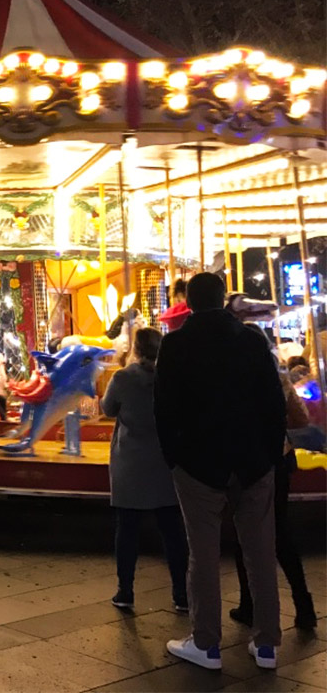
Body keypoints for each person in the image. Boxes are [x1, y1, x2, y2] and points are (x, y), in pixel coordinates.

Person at [155, 273, 286, 671]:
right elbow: (273, 401)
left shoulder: (176, 344)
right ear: (224, 300)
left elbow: (164, 406)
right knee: (261, 550)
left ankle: (207, 643)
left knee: (203, 551)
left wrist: (173, 456)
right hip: (252, 461)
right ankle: (267, 644)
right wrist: (268, 453)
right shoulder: (251, 341)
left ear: (189, 303)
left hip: (198, 462)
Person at [228, 324, 318, 631]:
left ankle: (248, 602)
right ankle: (304, 604)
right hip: (279, 457)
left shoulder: (233, 378)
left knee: (242, 533)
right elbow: (301, 418)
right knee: (281, 532)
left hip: (245, 460)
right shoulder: (278, 378)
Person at [102, 327, 188, 613]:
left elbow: (108, 408)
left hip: (131, 462)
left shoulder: (123, 378)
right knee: (173, 532)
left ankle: (125, 591)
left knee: (127, 530)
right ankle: (181, 593)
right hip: (165, 460)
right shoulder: (174, 377)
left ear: (135, 350)